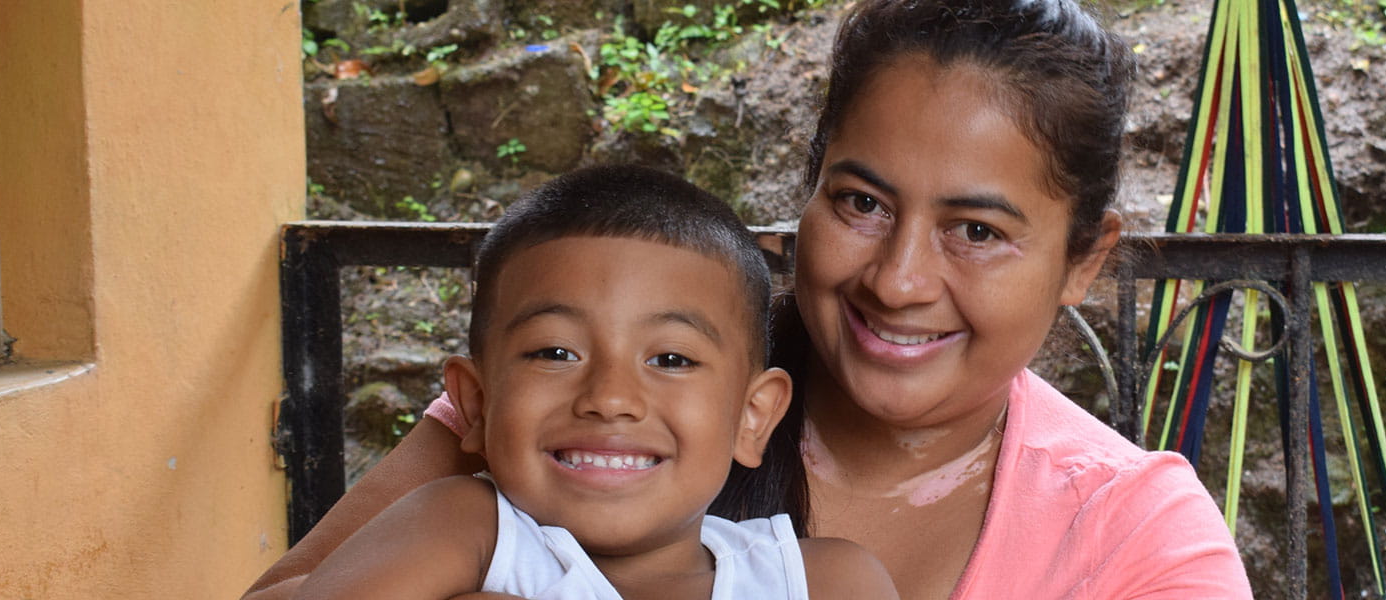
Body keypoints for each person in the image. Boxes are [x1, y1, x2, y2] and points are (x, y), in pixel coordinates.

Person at [247, 1, 1251, 598]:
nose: (898, 280)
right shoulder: (598, 409)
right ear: (806, 191)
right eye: (860, 201)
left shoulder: (1138, 544)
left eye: (977, 232)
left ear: (1085, 258)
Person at [289, 165, 897, 600]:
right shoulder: (466, 530)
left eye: (671, 359)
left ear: (753, 416)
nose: (609, 399)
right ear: (474, 402)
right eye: (556, 351)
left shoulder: (824, 582)